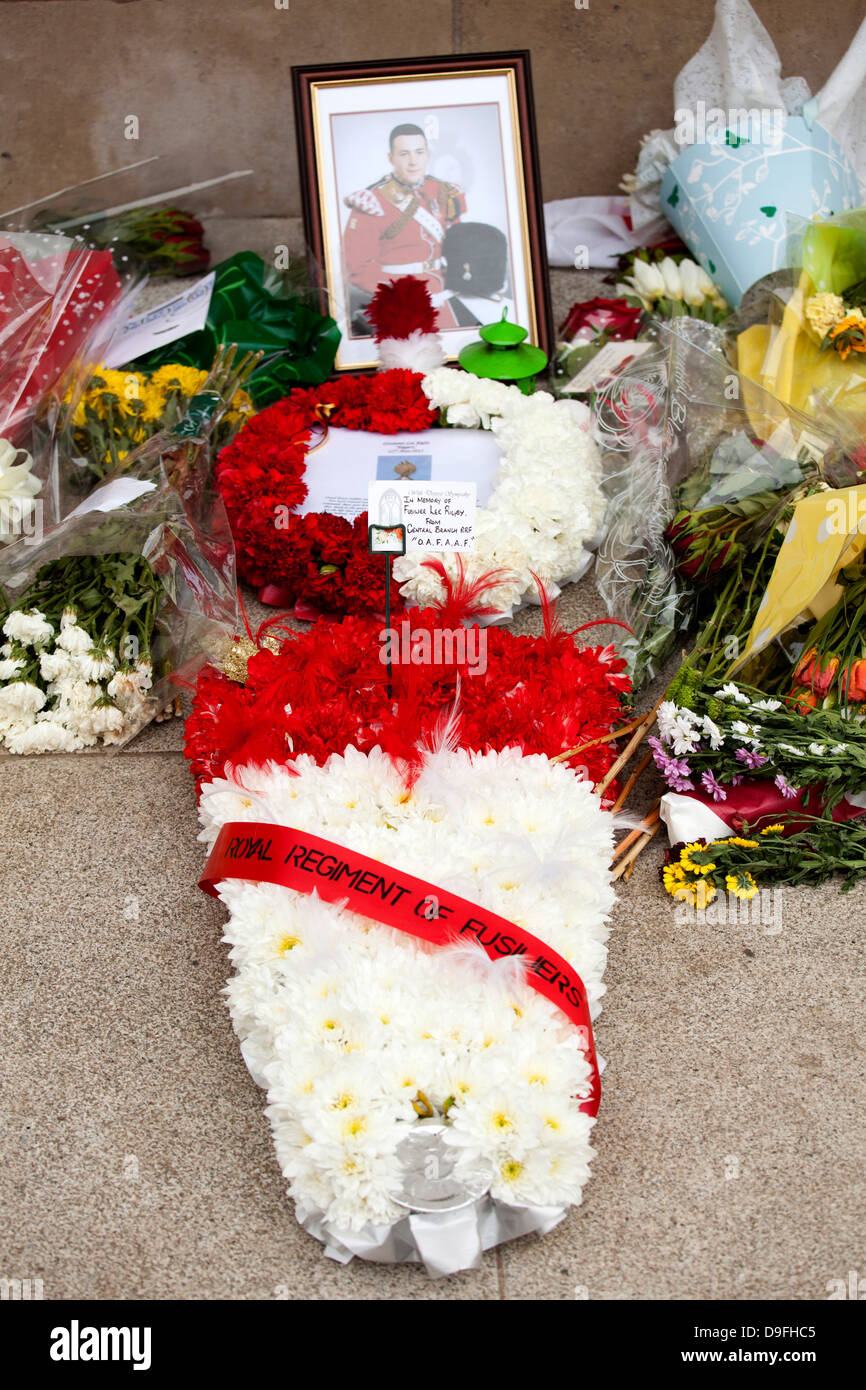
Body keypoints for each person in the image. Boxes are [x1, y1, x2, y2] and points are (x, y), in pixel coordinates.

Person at [342, 123, 468, 333]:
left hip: (445, 298)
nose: (413, 162)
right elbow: (357, 268)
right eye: (404, 154)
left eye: (419, 152)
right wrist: (398, 294)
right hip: (399, 303)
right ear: (391, 158)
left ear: (427, 154)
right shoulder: (371, 202)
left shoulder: (443, 191)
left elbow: (459, 243)